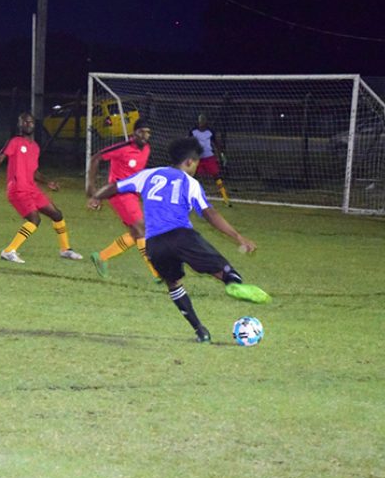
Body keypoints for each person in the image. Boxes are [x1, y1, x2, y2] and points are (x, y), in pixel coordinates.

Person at [90, 138, 270, 343]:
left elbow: (115, 186)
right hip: (183, 237)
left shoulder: (149, 174)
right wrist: (238, 237)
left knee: (173, 284)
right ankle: (232, 282)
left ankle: (200, 330)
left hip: (155, 244)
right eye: (197, 163)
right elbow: (209, 214)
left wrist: (95, 196)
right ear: (189, 162)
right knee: (222, 268)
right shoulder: (190, 183)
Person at [0, 111, 83, 264]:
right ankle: (8, 251)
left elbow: (34, 172)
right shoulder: (15, 142)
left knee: (57, 215)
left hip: (32, 189)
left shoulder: (35, 147)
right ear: (19, 125)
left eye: (30, 121)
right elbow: (0, 156)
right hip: (18, 189)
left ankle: (65, 250)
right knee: (34, 220)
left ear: (34, 124)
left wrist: (48, 182)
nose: (28, 124)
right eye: (24, 121)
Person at [85, 118, 159, 280]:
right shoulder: (123, 147)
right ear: (134, 133)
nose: (144, 136)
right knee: (142, 230)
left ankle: (101, 257)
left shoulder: (146, 149)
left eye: (148, 133)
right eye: (141, 132)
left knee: (135, 233)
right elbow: (95, 158)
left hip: (132, 194)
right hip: (118, 193)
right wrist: (92, 189)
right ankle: (157, 273)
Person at [189, 113, 231, 206]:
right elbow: (188, 142)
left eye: (203, 121)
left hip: (209, 157)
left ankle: (225, 198)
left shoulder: (210, 131)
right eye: (200, 121)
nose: (201, 123)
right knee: (194, 177)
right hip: (198, 158)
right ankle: (190, 197)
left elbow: (216, 143)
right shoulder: (193, 131)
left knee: (217, 176)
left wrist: (222, 155)